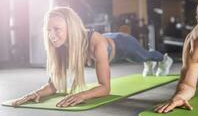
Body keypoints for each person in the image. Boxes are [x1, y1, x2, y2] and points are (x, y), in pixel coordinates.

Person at [12, 7, 173, 108]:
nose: (51, 36)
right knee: (144, 60)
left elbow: (105, 88)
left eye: (57, 29)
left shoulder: (95, 44)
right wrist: (36, 93)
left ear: (71, 28)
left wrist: (81, 95)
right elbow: (54, 85)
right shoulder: (62, 46)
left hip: (123, 44)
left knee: (144, 56)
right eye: (48, 30)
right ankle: (150, 65)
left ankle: (163, 59)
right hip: (107, 38)